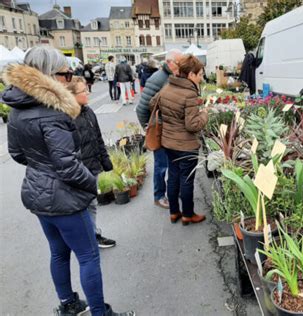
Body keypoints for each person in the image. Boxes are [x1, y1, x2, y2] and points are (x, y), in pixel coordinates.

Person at [1, 46, 134, 316]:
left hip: (38, 195)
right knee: (88, 256)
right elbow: (68, 166)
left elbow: (17, 154)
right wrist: (94, 185)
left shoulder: (18, 110)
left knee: (59, 253)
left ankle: (68, 304)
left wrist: (42, 169)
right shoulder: (53, 113)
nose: (70, 78)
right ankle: (100, 312)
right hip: (65, 199)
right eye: (65, 74)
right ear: (50, 76)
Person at [151, 54, 208, 225]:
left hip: (168, 142)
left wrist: (171, 118)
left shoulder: (168, 86)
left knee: (174, 176)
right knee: (186, 179)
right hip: (186, 145)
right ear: (191, 75)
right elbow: (192, 125)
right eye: (200, 75)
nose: (201, 78)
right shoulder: (189, 94)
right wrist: (205, 114)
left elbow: (152, 103)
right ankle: (188, 215)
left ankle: (174, 212)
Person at [66, 76, 117, 249]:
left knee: (92, 204)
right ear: (71, 94)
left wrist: (106, 161)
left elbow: (98, 138)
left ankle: (93, 235)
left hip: (92, 166)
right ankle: (88, 239)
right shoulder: (67, 117)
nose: (87, 93)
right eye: (83, 91)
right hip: (79, 170)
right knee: (84, 206)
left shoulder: (88, 112)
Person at [136, 49, 183, 209]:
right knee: (161, 166)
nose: (182, 66)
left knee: (173, 164)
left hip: (172, 130)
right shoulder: (157, 79)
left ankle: (171, 193)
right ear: (170, 62)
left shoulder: (173, 76)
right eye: (180, 63)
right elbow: (141, 109)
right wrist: (148, 128)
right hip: (160, 130)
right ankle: (159, 196)